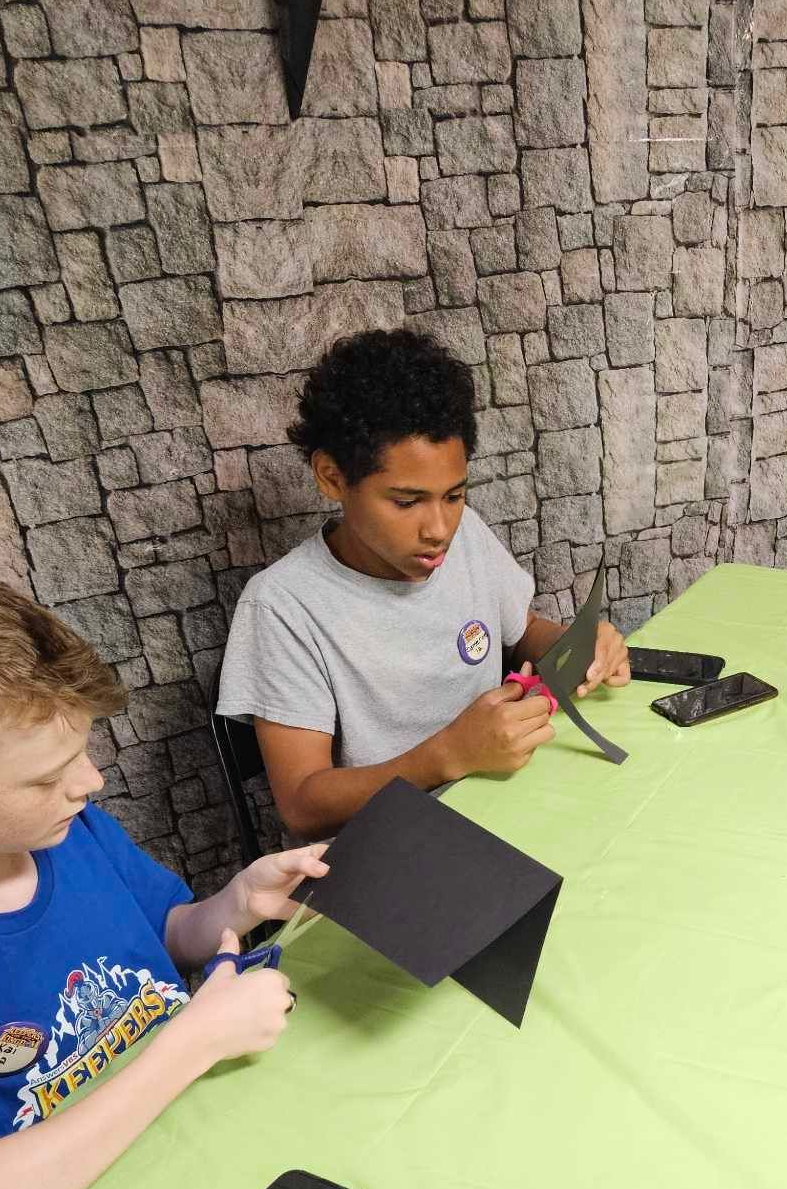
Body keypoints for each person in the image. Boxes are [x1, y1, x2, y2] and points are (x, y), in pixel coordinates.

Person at [0, 571, 327, 1189]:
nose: (92, 784)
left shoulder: (73, 832)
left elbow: (171, 933)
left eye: (84, 752)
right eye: (42, 778)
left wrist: (237, 905)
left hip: (206, 1159)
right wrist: (194, 1043)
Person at [218, 327, 632, 837]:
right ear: (331, 477)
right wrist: (447, 755)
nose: (439, 529)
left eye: (454, 496)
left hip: (501, 809)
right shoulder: (283, 606)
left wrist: (580, 647)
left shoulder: (468, 538)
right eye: (406, 502)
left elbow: (522, 631)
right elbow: (303, 803)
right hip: (385, 851)